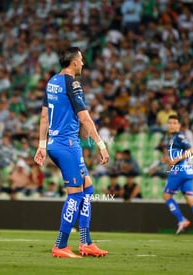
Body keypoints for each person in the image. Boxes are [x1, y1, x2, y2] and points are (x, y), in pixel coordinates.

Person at [34, 47, 110, 258]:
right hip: (67, 145)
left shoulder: (51, 83)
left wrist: (42, 145)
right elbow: (85, 118)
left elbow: (43, 116)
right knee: (75, 195)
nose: (83, 63)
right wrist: (101, 144)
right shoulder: (73, 83)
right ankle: (60, 245)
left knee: (87, 188)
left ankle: (86, 242)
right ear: (74, 62)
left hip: (57, 143)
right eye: (82, 60)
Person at [162, 115, 193, 238]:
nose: (172, 125)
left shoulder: (179, 136)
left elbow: (191, 151)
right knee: (190, 199)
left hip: (180, 171)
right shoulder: (171, 138)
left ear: (179, 125)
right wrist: (169, 160)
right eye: (170, 123)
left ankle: (181, 220)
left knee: (167, 196)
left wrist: (175, 160)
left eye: (174, 123)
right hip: (187, 171)